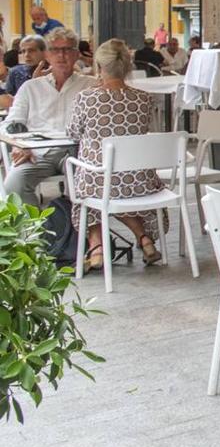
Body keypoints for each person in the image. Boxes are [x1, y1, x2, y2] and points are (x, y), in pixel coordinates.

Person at [67, 39, 168, 272]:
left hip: (99, 181)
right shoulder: (143, 99)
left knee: (92, 191)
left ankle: (97, 249)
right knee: (109, 189)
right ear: (128, 67)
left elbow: (73, 133)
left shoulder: (86, 98)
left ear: (99, 66)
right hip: (139, 181)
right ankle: (144, 239)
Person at [0, 28, 98, 206]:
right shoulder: (31, 88)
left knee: (85, 186)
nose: (62, 55)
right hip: (37, 153)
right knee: (14, 185)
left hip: (79, 151)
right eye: (55, 50)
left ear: (76, 54)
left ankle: (77, 230)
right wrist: (19, 146)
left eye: (67, 49)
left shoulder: (90, 86)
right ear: (47, 55)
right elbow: (10, 124)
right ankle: (35, 231)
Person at [3, 35, 49, 100]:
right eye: (23, 51)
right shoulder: (15, 72)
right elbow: (8, 101)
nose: (26, 55)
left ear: (44, 52)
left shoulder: (53, 71)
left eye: (31, 50)